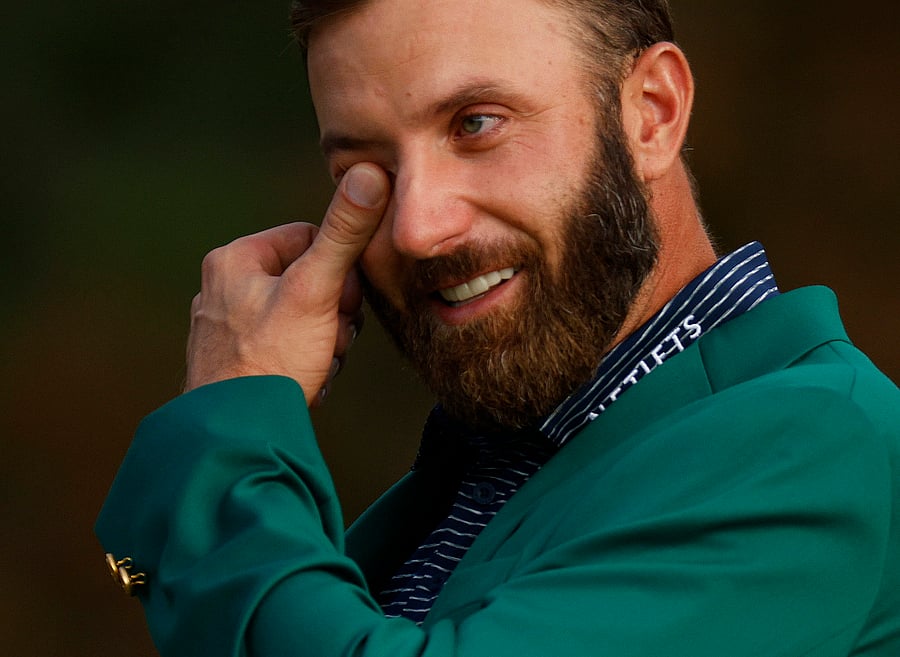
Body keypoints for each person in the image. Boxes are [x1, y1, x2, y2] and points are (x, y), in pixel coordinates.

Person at [96, 0, 900, 655]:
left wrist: (233, 417)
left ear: (651, 114)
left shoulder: (813, 442)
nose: (414, 227)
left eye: (476, 124)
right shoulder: (478, 477)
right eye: (362, 171)